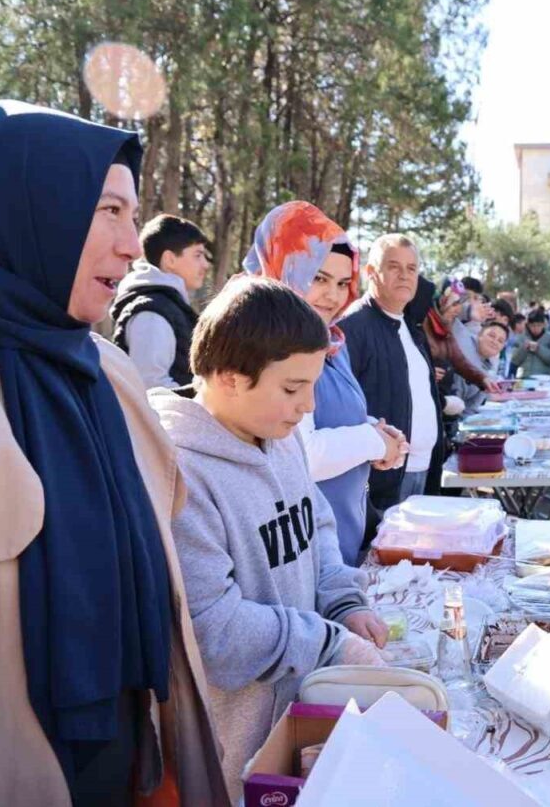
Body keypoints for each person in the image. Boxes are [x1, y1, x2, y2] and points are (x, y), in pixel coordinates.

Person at [0, 101, 228, 806]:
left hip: (125, 771)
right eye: (107, 211)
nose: (130, 245)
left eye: (133, 216)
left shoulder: (107, 370)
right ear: (22, 206)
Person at [152, 278, 386, 802]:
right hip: (229, 754)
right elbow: (217, 634)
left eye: (313, 385)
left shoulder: (279, 436)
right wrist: (329, 641)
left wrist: (343, 602)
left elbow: (317, 529)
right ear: (232, 378)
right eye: (291, 388)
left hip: (293, 714)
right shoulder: (179, 473)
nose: (308, 406)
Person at [241, 201, 409, 565]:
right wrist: (373, 442)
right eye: (318, 278)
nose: (333, 296)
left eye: (342, 283)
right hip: (295, 552)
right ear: (285, 266)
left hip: (340, 544)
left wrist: (378, 433)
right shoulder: (263, 345)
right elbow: (301, 454)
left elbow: (331, 417)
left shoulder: (331, 342)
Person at [339, 234, 443, 538]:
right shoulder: (351, 328)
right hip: (382, 484)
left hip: (423, 472)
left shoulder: (411, 327)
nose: (405, 275)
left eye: (412, 269)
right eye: (394, 266)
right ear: (371, 273)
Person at [111, 213, 212, 388]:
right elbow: (151, 388)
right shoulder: (151, 313)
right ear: (169, 260)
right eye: (197, 255)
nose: (205, 264)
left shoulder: (169, 307)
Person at [456, 320, 510, 415]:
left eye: (500, 341)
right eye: (491, 336)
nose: (494, 342)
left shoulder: (488, 370)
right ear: (479, 335)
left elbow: (472, 407)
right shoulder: (464, 346)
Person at [511, 309, 550, 378]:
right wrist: (524, 348)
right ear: (528, 325)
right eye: (533, 325)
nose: (536, 328)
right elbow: (514, 360)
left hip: (544, 377)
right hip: (524, 376)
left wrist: (539, 349)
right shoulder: (521, 337)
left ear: (543, 324)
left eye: (539, 325)